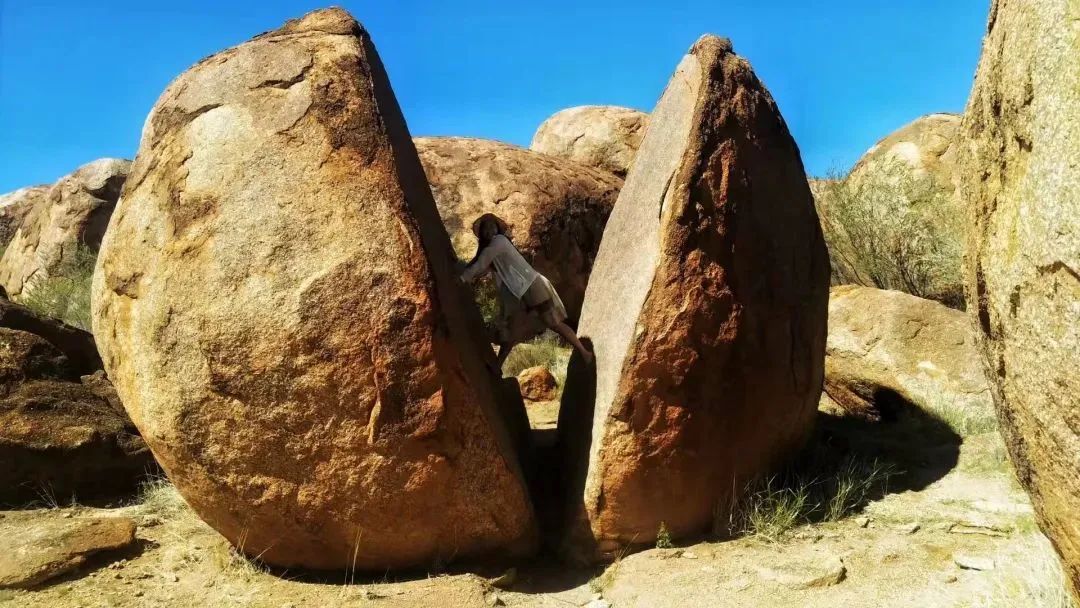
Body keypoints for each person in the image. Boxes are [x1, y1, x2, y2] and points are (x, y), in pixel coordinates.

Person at [460, 213, 593, 367]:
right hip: (524, 293)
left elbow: (481, 263)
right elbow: (480, 266)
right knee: (513, 327)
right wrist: (463, 271)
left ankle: (585, 353)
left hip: (534, 287)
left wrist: (462, 277)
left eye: (492, 226)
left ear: (497, 229)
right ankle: (497, 366)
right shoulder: (493, 251)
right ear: (482, 233)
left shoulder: (499, 242)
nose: (490, 230)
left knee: (553, 323)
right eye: (486, 228)